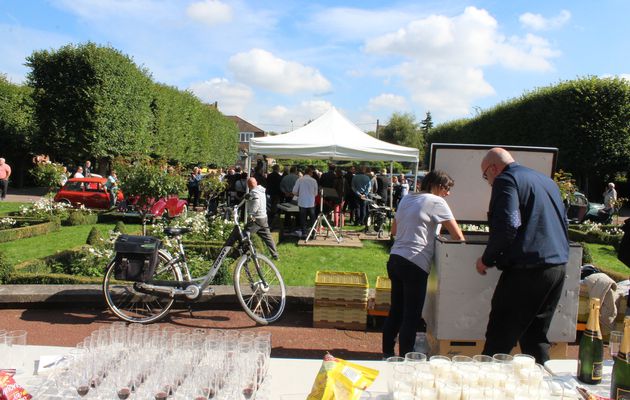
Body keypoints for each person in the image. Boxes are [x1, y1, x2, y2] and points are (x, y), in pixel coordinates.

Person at [475, 147, 569, 365]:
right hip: (557, 268)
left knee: (499, 337)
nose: (487, 181)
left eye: (485, 175)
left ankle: (487, 389)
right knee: (536, 337)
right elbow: (563, 222)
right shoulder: (546, 182)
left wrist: (486, 259)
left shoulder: (506, 180)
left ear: (493, 168)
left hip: (527, 271)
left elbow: (509, 225)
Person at [382, 170, 464, 358]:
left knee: (396, 310)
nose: (448, 194)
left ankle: (386, 353)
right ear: (438, 186)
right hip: (415, 262)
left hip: (396, 258)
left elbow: (394, 230)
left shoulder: (407, 199)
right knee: (411, 315)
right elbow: (458, 236)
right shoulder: (437, 202)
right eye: (447, 188)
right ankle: (406, 358)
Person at [245, 178, 279, 260]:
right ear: (256, 183)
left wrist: (251, 214)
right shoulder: (261, 190)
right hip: (263, 216)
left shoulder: (254, 192)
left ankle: (245, 255)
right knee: (268, 237)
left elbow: (256, 201)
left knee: (245, 236)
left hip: (256, 218)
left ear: (248, 185)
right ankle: (275, 255)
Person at [292, 167, 319, 238]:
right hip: (311, 202)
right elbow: (316, 193)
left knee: (303, 218)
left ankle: (304, 233)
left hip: (302, 201)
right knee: (313, 218)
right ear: (310, 173)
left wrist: (299, 194)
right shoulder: (314, 181)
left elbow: (294, 191)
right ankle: (313, 233)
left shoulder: (300, 180)